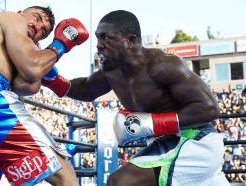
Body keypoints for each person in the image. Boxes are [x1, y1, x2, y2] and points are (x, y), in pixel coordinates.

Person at [43, 10, 230, 186]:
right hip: (166, 143)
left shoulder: (163, 65)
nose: (99, 44)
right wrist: (50, 79)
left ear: (130, 41)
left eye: (107, 37)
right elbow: (86, 89)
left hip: (197, 142)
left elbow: (210, 109)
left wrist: (152, 123)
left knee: (120, 182)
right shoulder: (111, 71)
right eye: (98, 37)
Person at [0, 5, 88, 186]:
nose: (39, 27)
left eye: (44, 31)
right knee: (64, 176)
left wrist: (45, 67)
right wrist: (60, 44)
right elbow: (33, 69)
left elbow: (27, 86)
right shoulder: (12, 18)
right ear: (21, 12)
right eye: (37, 17)